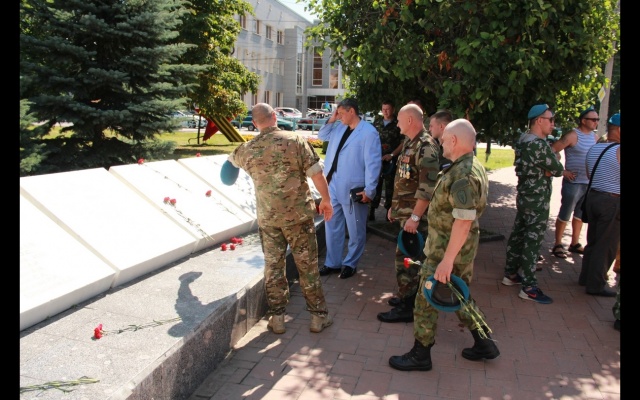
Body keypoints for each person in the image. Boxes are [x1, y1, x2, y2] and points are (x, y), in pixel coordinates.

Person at [388, 118, 499, 371]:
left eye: (444, 140)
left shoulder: (463, 175)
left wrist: (447, 261)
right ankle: (484, 342)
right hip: (454, 247)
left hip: (447, 250)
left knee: (425, 299)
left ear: (455, 140)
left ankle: (421, 354)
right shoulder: (466, 166)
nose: (441, 144)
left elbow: (463, 221)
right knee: (458, 294)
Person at [226, 103, 334, 334]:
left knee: (273, 268)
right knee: (307, 267)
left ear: (255, 123)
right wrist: (326, 199)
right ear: (275, 116)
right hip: (298, 219)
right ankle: (318, 317)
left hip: (269, 220)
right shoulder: (295, 140)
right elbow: (316, 174)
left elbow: (228, 168)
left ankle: (277, 319)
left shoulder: (247, 149)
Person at [377, 104, 440, 323]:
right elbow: (404, 180)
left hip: (416, 219)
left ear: (410, 120)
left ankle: (408, 307)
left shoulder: (425, 147)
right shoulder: (410, 143)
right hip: (406, 214)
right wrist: (394, 207)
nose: (397, 123)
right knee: (406, 260)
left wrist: (414, 217)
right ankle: (407, 297)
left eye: (400, 119)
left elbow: (427, 189)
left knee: (408, 262)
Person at [502, 104, 564, 304]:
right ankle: (529, 287)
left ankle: (510, 274)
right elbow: (557, 169)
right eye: (550, 120)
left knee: (519, 234)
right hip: (537, 199)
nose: (553, 124)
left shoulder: (523, 140)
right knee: (533, 241)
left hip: (525, 196)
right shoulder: (538, 145)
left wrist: (547, 168)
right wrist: (552, 162)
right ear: (539, 121)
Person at [317, 98, 382, 279]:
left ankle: (350, 263)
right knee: (332, 225)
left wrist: (370, 190)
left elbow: (373, 164)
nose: (339, 117)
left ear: (351, 111)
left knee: (355, 229)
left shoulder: (368, 132)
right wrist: (332, 118)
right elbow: (322, 135)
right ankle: (332, 262)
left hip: (354, 188)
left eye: (341, 113)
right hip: (333, 184)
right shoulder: (339, 128)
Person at [579, 113, 620, 297]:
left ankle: (585, 277)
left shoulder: (595, 148)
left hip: (593, 198)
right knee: (606, 245)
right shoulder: (618, 150)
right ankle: (596, 284)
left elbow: (589, 174)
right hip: (611, 201)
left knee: (593, 241)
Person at [549, 106, 599, 258]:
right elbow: (552, 151)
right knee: (565, 212)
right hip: (573, 183)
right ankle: (558, 244)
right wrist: (562, 171)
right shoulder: (572, 135)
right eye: (593, 119)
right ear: (583, 121)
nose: (596, 122)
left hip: (587, 183)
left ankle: (574, 243)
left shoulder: (595, 137)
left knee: (580, 214)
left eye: (597, 119)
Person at [369, 100, 403, 221]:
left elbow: (403, 142)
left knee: (390, 187)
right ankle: (371, 211)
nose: (385, 112)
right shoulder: (377, 122)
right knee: (375, 185)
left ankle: (389, 213)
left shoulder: (398, 123)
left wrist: (392, 155)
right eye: (383, 109)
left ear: (393, 109)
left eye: (388, 109)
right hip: (377, 160)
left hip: (391, 161)